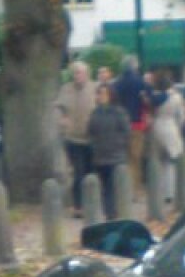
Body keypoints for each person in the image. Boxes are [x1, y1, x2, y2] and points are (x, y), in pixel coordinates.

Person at [54, 60, 96, 216]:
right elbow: (58, 106)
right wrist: (62, 119)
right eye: (75, 72)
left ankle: (92, 203)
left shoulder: (94, 88)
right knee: (78, 172)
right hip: (73, 139)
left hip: (91, 138)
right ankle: (78, 206)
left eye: (80, 72)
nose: (77, 75)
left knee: (90, 172)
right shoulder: (66, 89)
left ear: (86, 74)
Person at [87, 82, 131, 218]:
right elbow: (91, 130)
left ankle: (114, 212)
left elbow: (126, 131)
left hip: (115, 155)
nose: (101, 96)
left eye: (104, 94)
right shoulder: (95, 112)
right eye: (99, 94)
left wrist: (119, 144)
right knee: (105, 187)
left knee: (114, 186)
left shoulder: (118, 112)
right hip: (100, 156)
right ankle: (109, 212)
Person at [148, 69, 185, 207]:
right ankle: (170, 193)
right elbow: (182, 117)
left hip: (157, 127)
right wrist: (179, 127)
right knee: (171, 163)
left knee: (157, 162)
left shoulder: (154, 97)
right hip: (171, 127)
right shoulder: (176, 97)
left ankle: (158, 190)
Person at [113, 55, 150, 191]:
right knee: (136, 158)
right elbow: (150, 99)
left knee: (123, 159)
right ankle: (135, 189)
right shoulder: (140, 83)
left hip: (119, 126)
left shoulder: (116, 83)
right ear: (135, 66)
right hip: (137, 125)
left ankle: (123, 188)